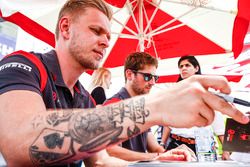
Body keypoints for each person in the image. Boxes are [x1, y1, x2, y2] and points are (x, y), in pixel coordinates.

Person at [0, 0, 248, 166]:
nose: (106, 42)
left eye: (108, 36)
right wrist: (154, 106)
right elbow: (21, 139)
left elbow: (101, 161)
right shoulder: (25, 65)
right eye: (97, 31)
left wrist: (156, 160)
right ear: (65, 27)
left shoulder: (83, 97)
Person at [161, 55, 230, 160]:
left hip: (203, 148)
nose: (183, 68)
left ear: (196, 68)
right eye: (181, 66)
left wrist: (226, 151)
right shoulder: (173, 94)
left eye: (187, 65)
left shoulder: (208, 95)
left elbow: (219, 127)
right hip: (176, 144)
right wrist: (162, 144)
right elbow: (167, 123)